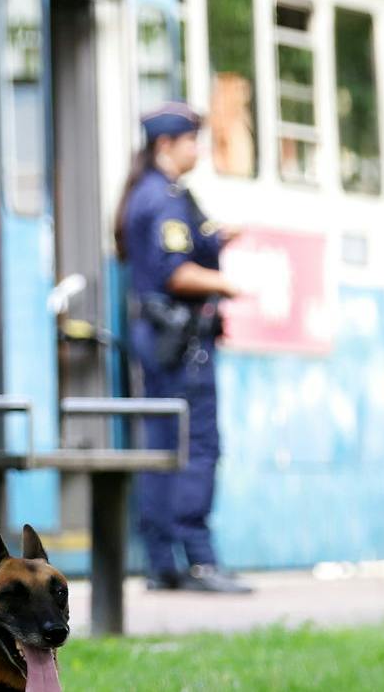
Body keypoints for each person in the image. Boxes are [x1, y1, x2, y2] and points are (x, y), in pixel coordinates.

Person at [114, 103, 253, 594]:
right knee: (195, 445)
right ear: (166, 145)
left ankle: (162, 562)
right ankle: (198, 561)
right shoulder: (163, 198)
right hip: (181, 343)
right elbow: (176, 271)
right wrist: (228, 284)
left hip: (162, 340)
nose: (198, 148)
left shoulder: (159, 195)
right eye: (191, 140)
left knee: (162, 445)